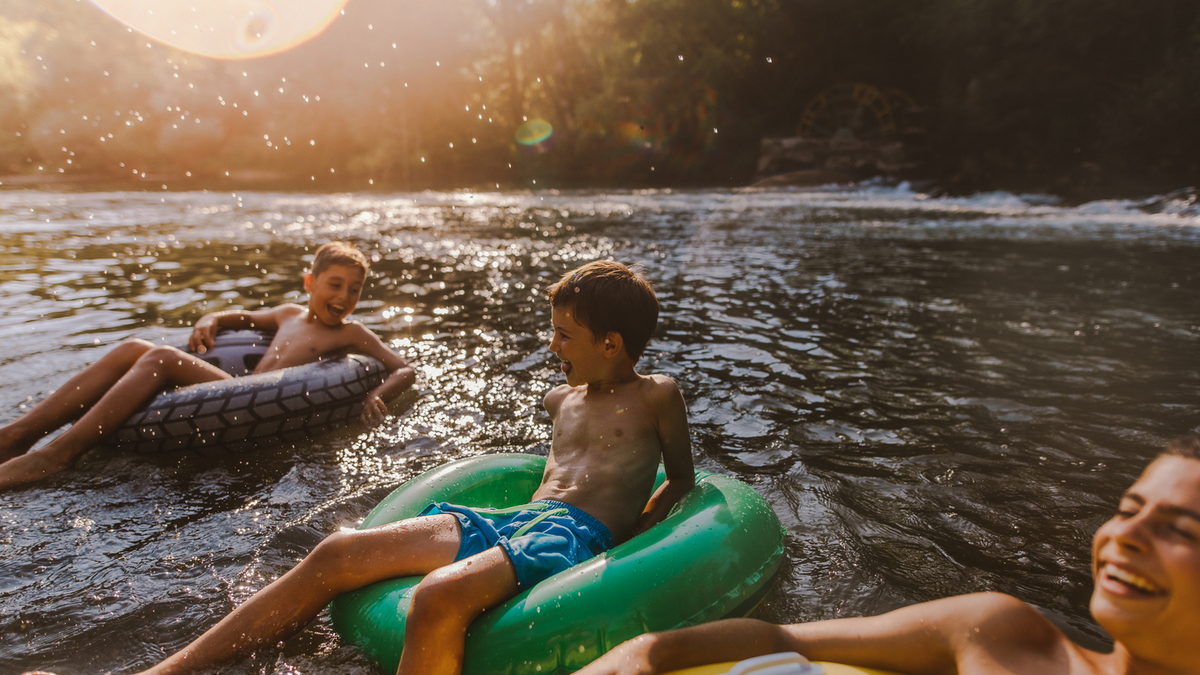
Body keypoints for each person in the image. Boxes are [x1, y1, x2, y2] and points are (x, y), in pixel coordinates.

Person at [71, 259, 692, 675]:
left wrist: (636, 536)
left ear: (610, 345)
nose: (551, 347)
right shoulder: (561, 398)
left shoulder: (656, 395)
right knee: (336, 551)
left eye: (563, 336)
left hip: (577, 534)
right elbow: (553, 471)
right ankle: (169, 670)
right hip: (521, 518)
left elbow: (682, 482)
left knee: (437, 596)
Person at [574, 434, 1200, 675]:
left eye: (1183, 529)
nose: (1128, 535)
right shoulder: (1001, 634)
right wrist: (647, 651)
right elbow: (784, 638)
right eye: (1126, 508)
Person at [0, 241, 416, 490]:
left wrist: (378, 393)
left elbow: (403, 368)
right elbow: (244, 319)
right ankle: (19, 435)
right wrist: (210, 318)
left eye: (355, 290)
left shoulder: (351, 332)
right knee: (134, 347)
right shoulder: (288, 313)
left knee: (161, 358)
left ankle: (57, 454)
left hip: (258, 395)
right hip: (237, 386)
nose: (344, 298)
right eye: (335, 285)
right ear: (311, 282)